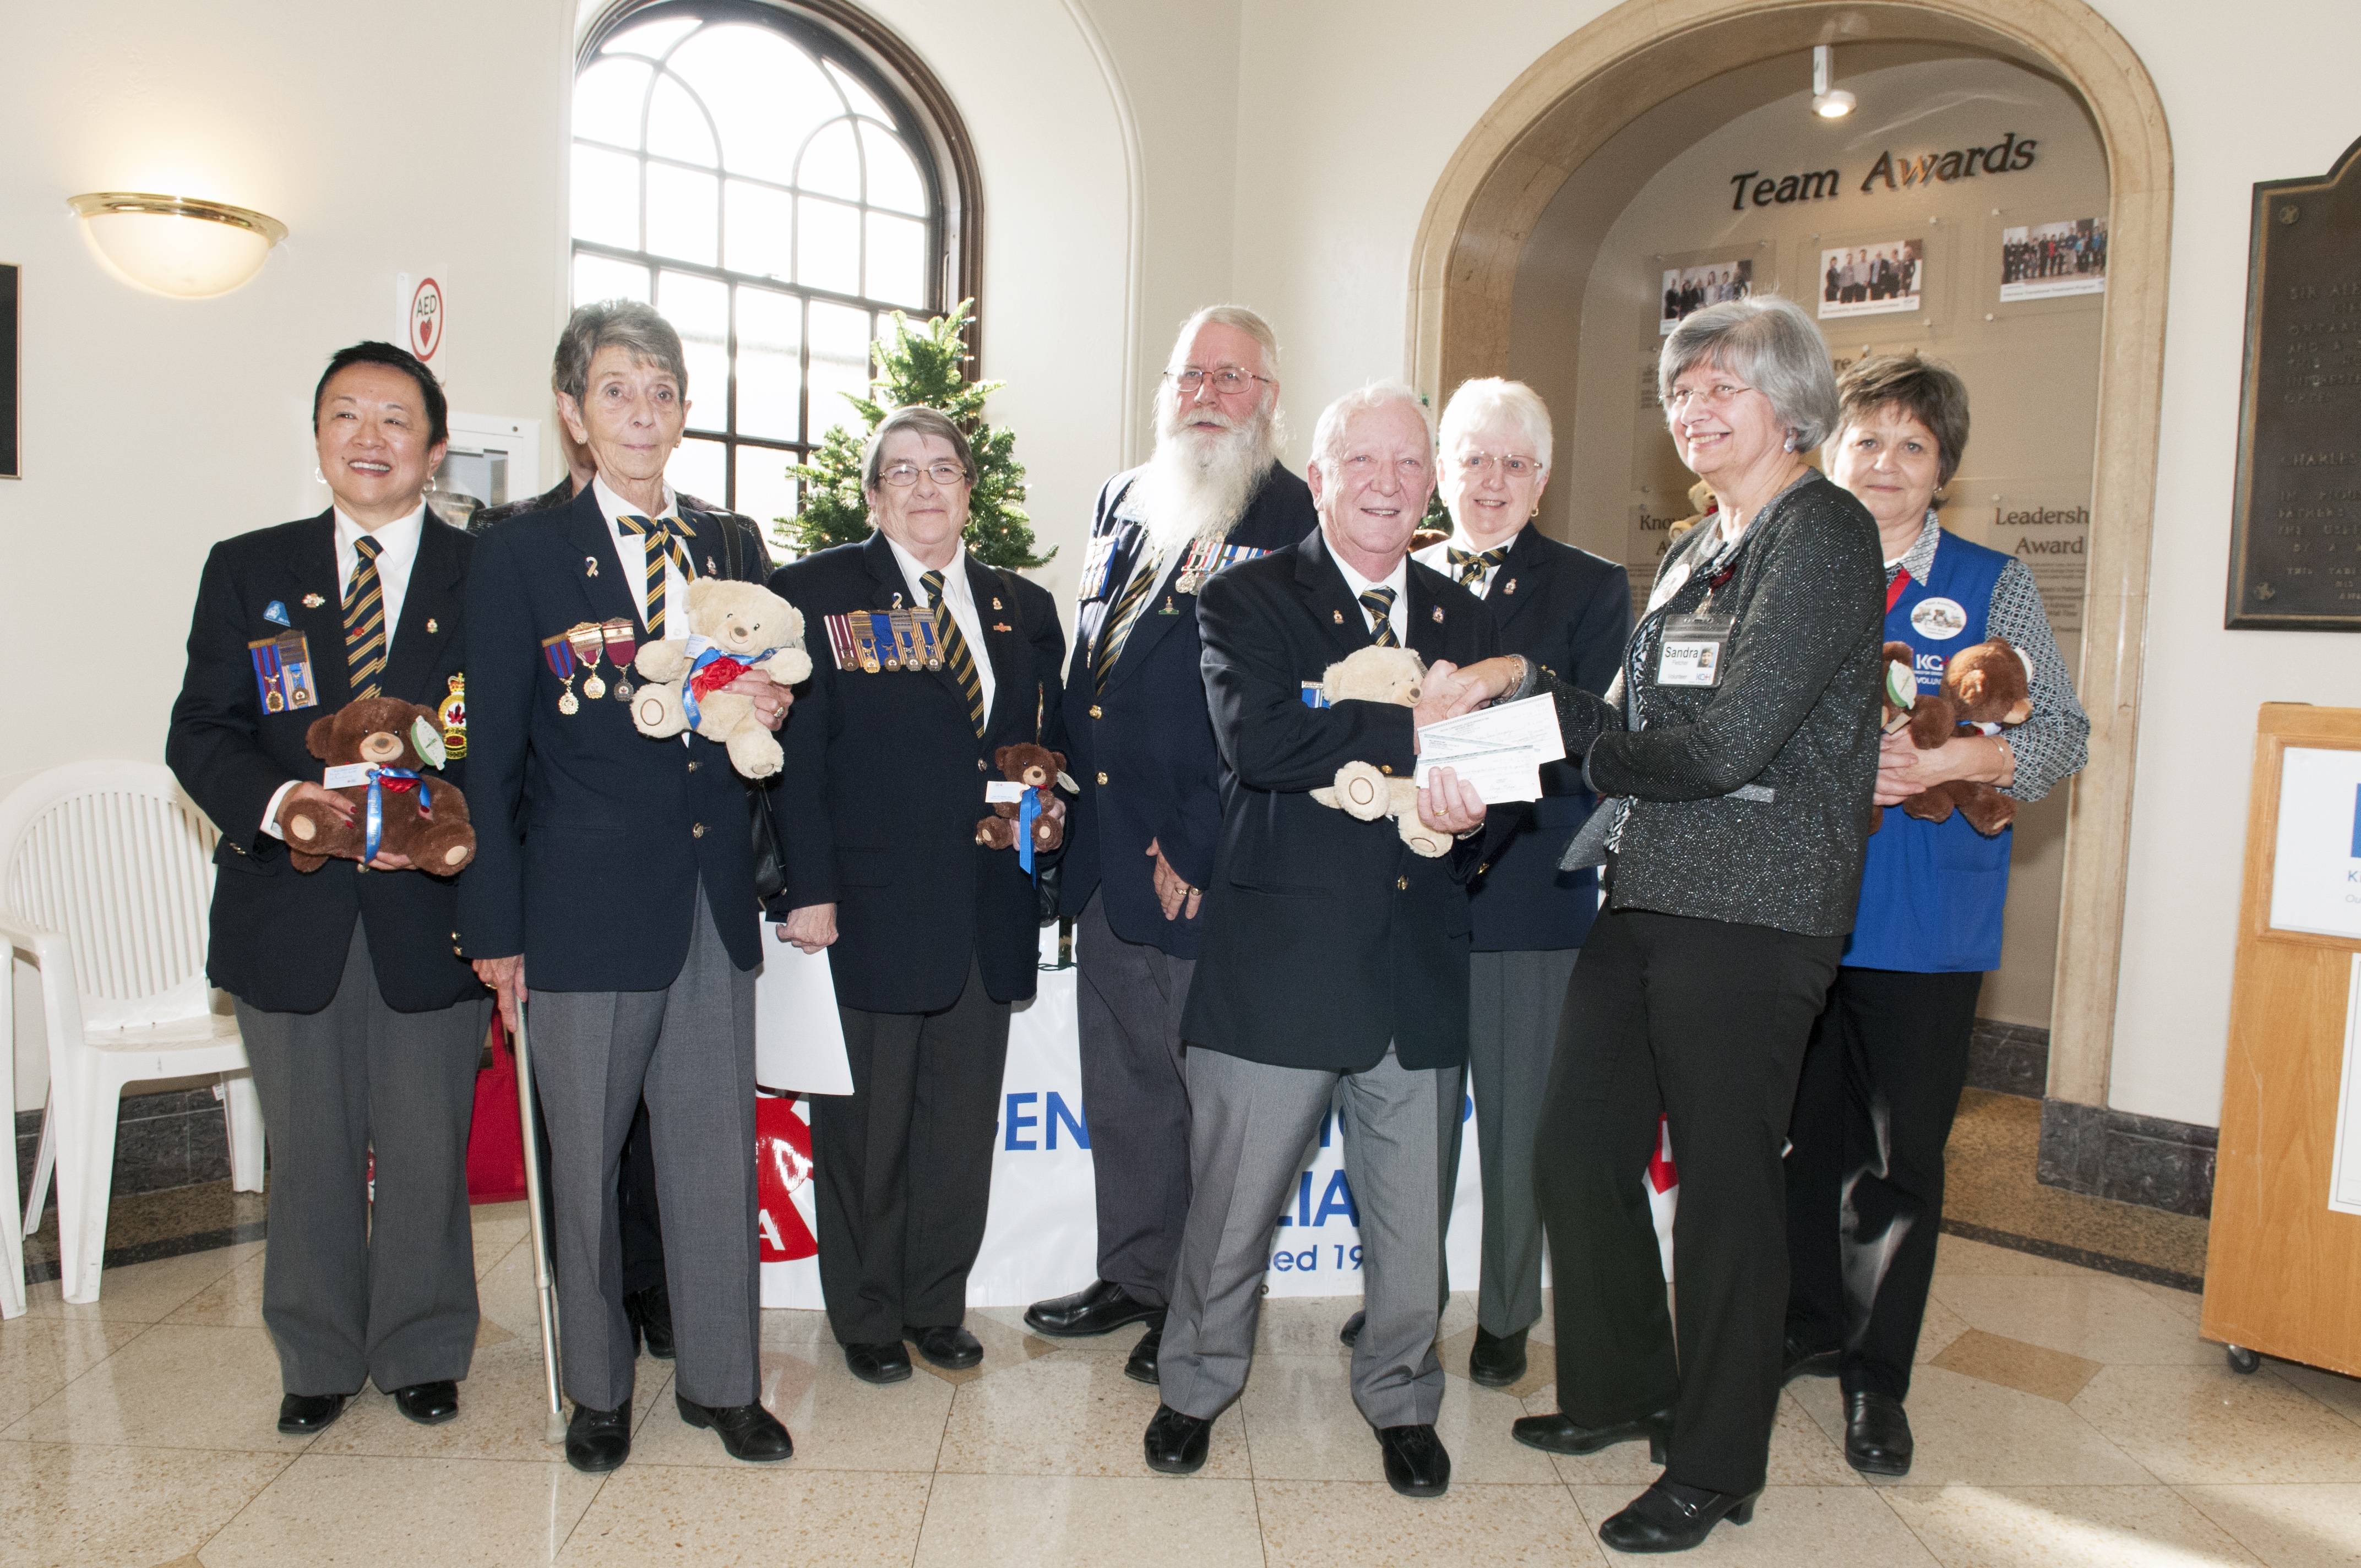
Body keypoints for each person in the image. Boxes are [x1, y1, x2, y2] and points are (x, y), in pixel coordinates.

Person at [1439, 295, 1885, 1552]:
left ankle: (1714, 1459)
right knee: (1574, 1146)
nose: (1690, 408)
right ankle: (1623, 1386)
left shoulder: (1822, 533)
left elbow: (1733, 740)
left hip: (1754, 912)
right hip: (1646, 893)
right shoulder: (1702, 547)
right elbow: (1631, 712)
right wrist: (1527, 683)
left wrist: (1566, 729)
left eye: (1719, 386)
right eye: (1679, 389)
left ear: (1789, 404)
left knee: (1728, 1192)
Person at [1141, 382, 1498, 1499]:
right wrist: (1419, 722)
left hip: (1414, 970)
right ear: (1320, 476)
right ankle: (1194, 1385)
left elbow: (1497, 782)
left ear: (1429, 482)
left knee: (1408, 1228)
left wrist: (1478, 812)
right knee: (1230, 1210)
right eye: (1363, 462)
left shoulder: (1463, 617)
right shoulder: (1246, 599)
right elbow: (1266, 740)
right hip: (1278, 971)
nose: (1386, 483)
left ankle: (1401, 1397)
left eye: (1408, 464)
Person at [462, 300, 796, 1474]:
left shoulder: (735, 543)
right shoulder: (517, 555)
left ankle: (721, 1381)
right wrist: (495, 931)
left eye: (661, 390)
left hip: (710, 903)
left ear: (684, 410)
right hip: (580, 912)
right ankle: (598, 1388)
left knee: (712, 1159)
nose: (642, 411)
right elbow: (490, 758)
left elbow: (766, 703)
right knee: (586, 1171)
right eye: (616, 389)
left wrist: (770, 707)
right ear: (573, 411)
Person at [166, 341, 488, 1437]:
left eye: (394, 419)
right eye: (344, 414)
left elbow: (512, 749)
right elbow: (199, 731)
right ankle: (314, 1353)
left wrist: (450, 831)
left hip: (430, 910)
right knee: (306, 1142)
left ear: (434, 450)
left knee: (423, 1140)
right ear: (316, 440)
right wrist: (289, 808)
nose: (367, 437)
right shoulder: (246, 567)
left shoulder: (484, 575)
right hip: (287, 903)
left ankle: (423, 1343)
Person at [1781, 355, 2088, 1476]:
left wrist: (1958, 753)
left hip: (1925, 917)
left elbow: (2061, 731)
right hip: (1791, 906)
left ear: (1942, 470)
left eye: (1911, 446)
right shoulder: (1787, 565)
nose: (1884, 464)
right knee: (1800, 1137)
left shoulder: (1990, 580)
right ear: (1828, 449)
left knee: (1901, 1157)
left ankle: (1875, 1376)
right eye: (1866, 440)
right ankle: (1807, 1321)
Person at [1022, 306, 1315, 1381]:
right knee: (1127, 1088)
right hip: (1106, 851)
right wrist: (1047, 777)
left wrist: (1193, 840)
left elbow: (1271, 705)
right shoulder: (1122, 498)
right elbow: (1100, 658)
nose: (1205, 392)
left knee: (1209, 1104)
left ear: (1268, 397)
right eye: (1189, 373)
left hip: (1208, 865)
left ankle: (1197, 1300)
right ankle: (1135, 1272)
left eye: (1231, 376)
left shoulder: (1295, 515)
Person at [770, 406, 1067, 1387]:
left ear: (969, 487)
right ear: (873, 494)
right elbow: (795, 761)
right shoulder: (815, 595)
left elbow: (1044, 746)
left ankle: (936, 1304)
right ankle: (865, 1311)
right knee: (867, 1128)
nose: (925, 487)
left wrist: (1050, 813)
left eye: (943, 469)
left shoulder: (1024, 608)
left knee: (956, 1127)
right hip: (868, 906)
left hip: (989, 903)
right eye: (903, 471)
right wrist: (808, 890)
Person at [1409, 378, 1629, 1387]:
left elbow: (1594, 739)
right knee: (1405, 1127)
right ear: (1441, 471)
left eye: (1513, 464)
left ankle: (1503, 1318)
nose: (1489, 481)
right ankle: (1404, 1304)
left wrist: (1485, 727)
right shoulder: (1394, 580)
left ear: (1541, 481)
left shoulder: (1591, 587)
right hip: (1405, 899)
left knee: (1514, 1127)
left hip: (1531, 896)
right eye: (1471, 459)